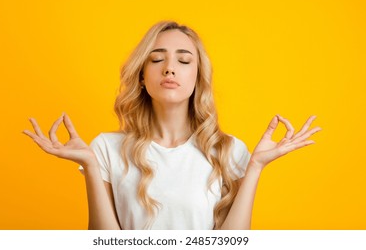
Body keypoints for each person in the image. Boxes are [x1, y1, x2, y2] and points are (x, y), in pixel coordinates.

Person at [23, 21, 321, 230]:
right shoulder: (105, 148)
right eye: (156, 59)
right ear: (142, 75)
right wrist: (89, 165)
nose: (169, 68)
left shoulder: (229, 151)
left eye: (184, 60)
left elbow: (234, 242)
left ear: (197, 77)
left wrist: (255, 166)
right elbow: (101, 241)